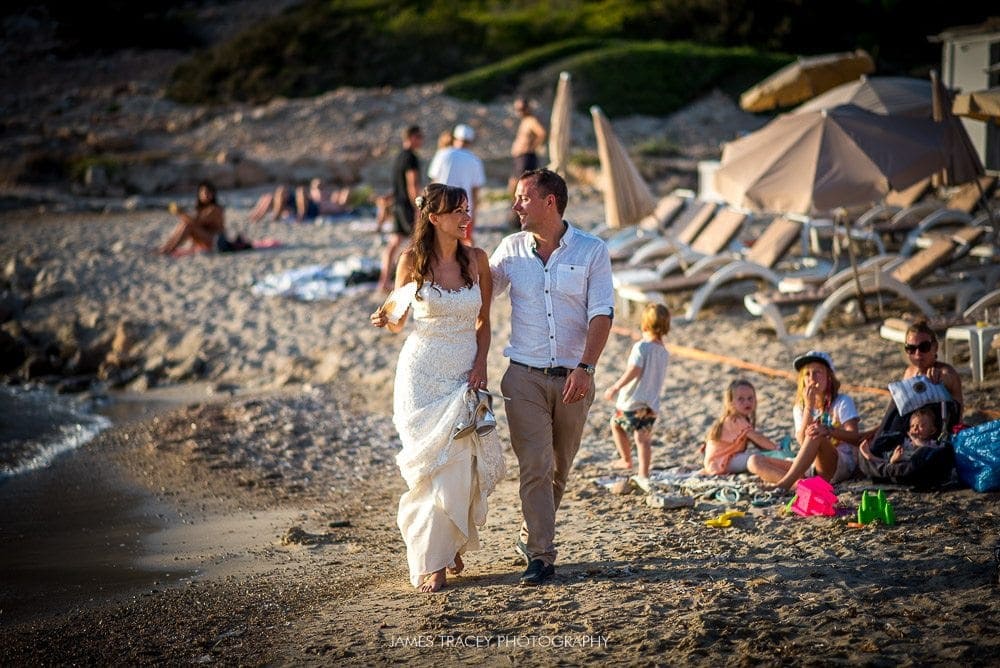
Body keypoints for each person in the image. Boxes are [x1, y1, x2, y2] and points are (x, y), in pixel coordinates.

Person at [369, 183, 505, 593]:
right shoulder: (411, 260)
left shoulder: (477, 259)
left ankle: (447, 542)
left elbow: (484, 323)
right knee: (430, 467)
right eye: (457, 211)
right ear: (434, 218)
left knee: (460, 460)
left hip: (464, 370)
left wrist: (481, 364)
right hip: (420, 374)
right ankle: (436, 560)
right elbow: (397, 320)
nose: (467, 216)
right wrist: (384, 319)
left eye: (467, 208)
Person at [490, 168, 614, 585]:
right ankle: (542, 556)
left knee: (560, 469)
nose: (515, 205)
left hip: (574, 378)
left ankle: (531, 534)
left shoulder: (592, 250)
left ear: (549, 202)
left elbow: (602, 312)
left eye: (523, 197)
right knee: (536, 465)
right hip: (522, 376)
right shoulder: (509, 250)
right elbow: (479, 291)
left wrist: (586, 367)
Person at [766, 351, 865, 490]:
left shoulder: (842, 401)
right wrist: (809, 407)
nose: (812, 378)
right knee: (755, 461)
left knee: (816, 433)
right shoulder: (800, 407)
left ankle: (785, 484)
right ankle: (799, 486)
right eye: (807, 374)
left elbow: (856, 437)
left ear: (829, 376)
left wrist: (828, 431)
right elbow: (801, 440)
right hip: (811, 464)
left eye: (817, 372)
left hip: (839, 462)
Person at [603, 303, 671, 492]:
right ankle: (644, 473)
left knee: (616, 424)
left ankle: (626, 460)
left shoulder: (641, 347)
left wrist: (616, 386)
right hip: (651, 404)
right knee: (643, 439)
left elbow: (634, 370)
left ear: (645, 325)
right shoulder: (663, 352)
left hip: (633, 402)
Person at [702, 379, 786, 480]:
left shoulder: (734, 419)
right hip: (723, 462)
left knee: (757, 456)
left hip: (716, 462)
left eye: (750, 398)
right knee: (755, 458)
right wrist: (775, 447)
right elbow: (758, 438)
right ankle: (786, 466)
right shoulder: (735, 419)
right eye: (741, 399)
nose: (747, 402)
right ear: (731, 403)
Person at [377, 125, 424, 292]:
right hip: (406, 206)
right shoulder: (411, 158)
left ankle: (383, 281)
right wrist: (418, 206)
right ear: (411, 137)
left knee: (394, 243)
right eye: (419, 136)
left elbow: (398, 186)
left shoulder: (398, 157)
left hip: (397, 205)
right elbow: (412, 185)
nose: (422, 140)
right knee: (415, 244)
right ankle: (406, 281)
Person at [434, 123, 486, 246]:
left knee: (440, 244)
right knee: (465, 243)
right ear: (470, 141)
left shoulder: (442, 154)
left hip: (443, 208)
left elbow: (434, 184)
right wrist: (473, 215)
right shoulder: (475, 160)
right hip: (464, 210)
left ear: (454, 137)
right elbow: (475, 191)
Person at [901, 320, 963, 418]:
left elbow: (957, 416)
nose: (917, 354)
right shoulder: (909, 373)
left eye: (924, 347)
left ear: (935, 347)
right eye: (911, 348)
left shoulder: (946, 374)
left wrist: (937, 384)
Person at [507, 97, 547, 229]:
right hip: (520, 157)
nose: (519, 111)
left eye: (522, 108)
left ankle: (520, 218)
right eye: (517, 109)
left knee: (521, 187)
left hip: (526, 157)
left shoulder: (531, 120)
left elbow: (542, 133)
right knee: (514, 185)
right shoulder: (525, 121)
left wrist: (531, 147)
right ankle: (516, 217)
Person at [158, 180, 225, 255]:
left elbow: (196, 222)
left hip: (215, 242)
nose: (205, 195)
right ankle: (167, 247)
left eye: (207, 192)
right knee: (184, 223)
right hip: (204, 239)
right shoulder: (202, 208)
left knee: (188, 225)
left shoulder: (215, 209)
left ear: (213, 194)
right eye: (202, 193)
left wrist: (179, 213)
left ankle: (169, 249)